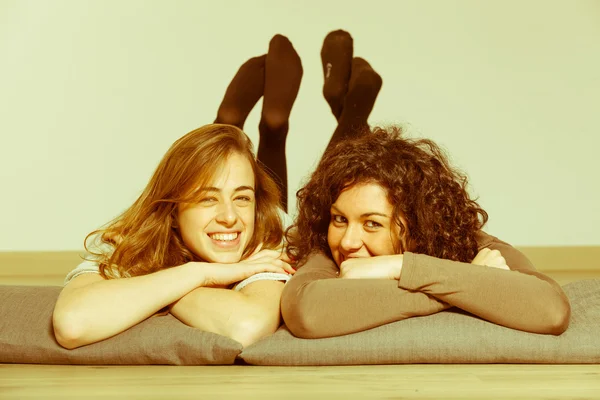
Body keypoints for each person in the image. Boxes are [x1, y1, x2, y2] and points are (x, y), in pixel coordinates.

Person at [281, 125, 571, 339]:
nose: (347, 241)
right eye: (339, 219)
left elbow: (551, 310)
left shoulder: (469, 243)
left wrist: (400, 265)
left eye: (372, 223)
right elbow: (308, 313)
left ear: (419, 227)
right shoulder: (324, 247)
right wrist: (466, 284)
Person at [53, 124, 295, 349]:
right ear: (173, 213)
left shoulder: (268, 235)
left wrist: (151, 283)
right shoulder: (132, 239)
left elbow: (247, 327)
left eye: (242, 198)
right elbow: (73, 323)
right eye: (207, 199)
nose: (230, 217)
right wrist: (200, 274)